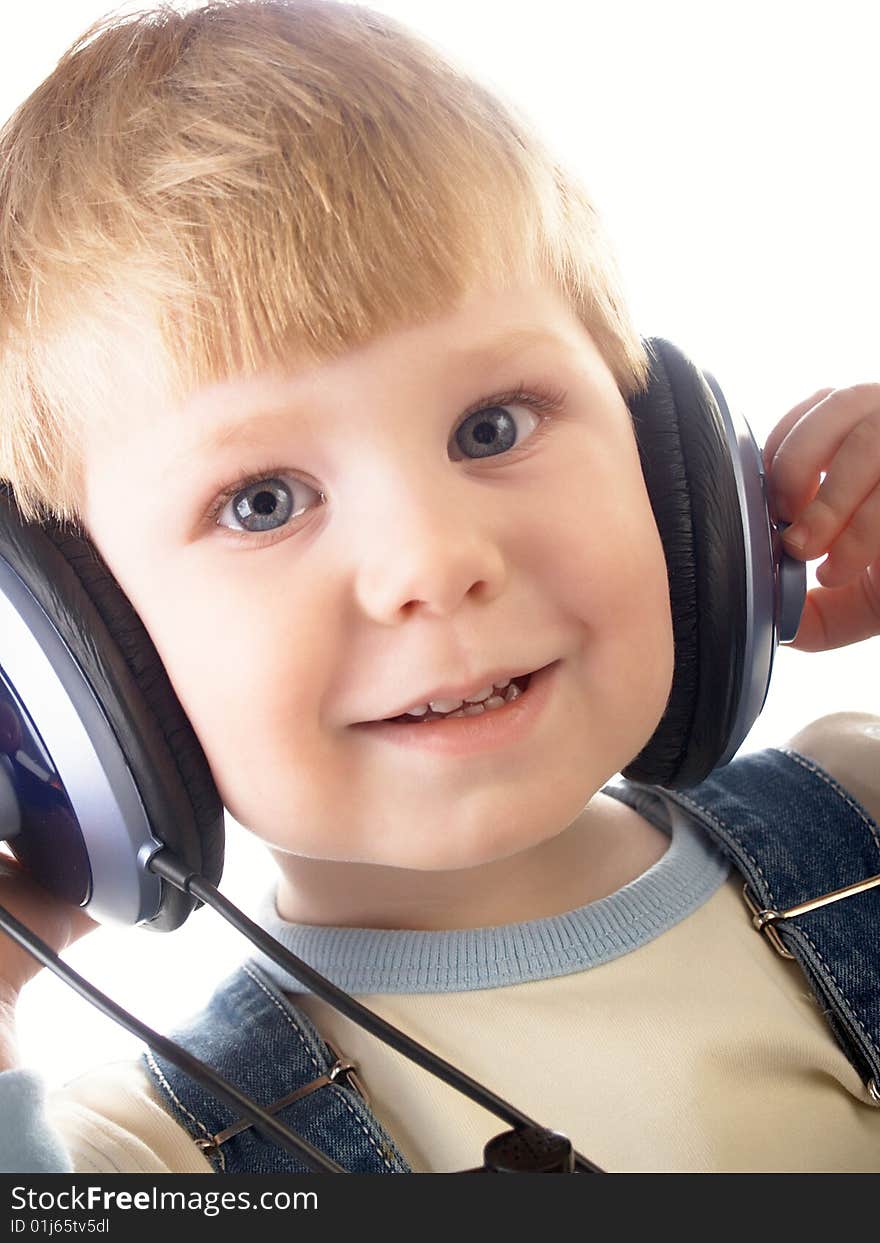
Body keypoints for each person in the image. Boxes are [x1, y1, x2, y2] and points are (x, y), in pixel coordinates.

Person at [1, 0, 879, 1174]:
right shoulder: (143, 1150)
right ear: (82, 653)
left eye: (491, 424)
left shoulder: (863, 810)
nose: (435, 560)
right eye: (262, 499)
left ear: (680, 474)